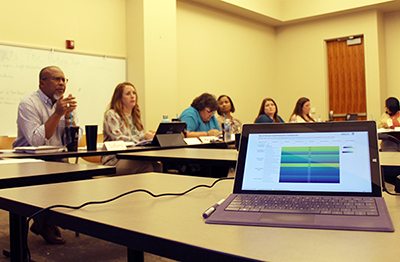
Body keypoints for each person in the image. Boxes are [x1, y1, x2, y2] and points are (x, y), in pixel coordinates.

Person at [13, 65, 80, 244]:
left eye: (63, 80)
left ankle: (44, 221)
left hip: (57, 158)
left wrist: (68, 116)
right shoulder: (29, 103)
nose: (61, 84)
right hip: (28, 160)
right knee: (47, 180)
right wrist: (58, 114)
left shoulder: (65, 104)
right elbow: (36, 140)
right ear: (42, 83)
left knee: (77, 178)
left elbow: (75, 140)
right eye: (56, 79)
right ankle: (44, 221)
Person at [102, 82, 160, 175]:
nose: (132, 96)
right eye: (128, 94)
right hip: (114, 160)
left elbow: (139, 142)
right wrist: (143, 137)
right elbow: (118, 139)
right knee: (146, 167)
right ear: (120, 98)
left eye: (134, 93)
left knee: (157, 166)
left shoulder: (135, 116)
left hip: (134, 156)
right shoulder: (112, 115)